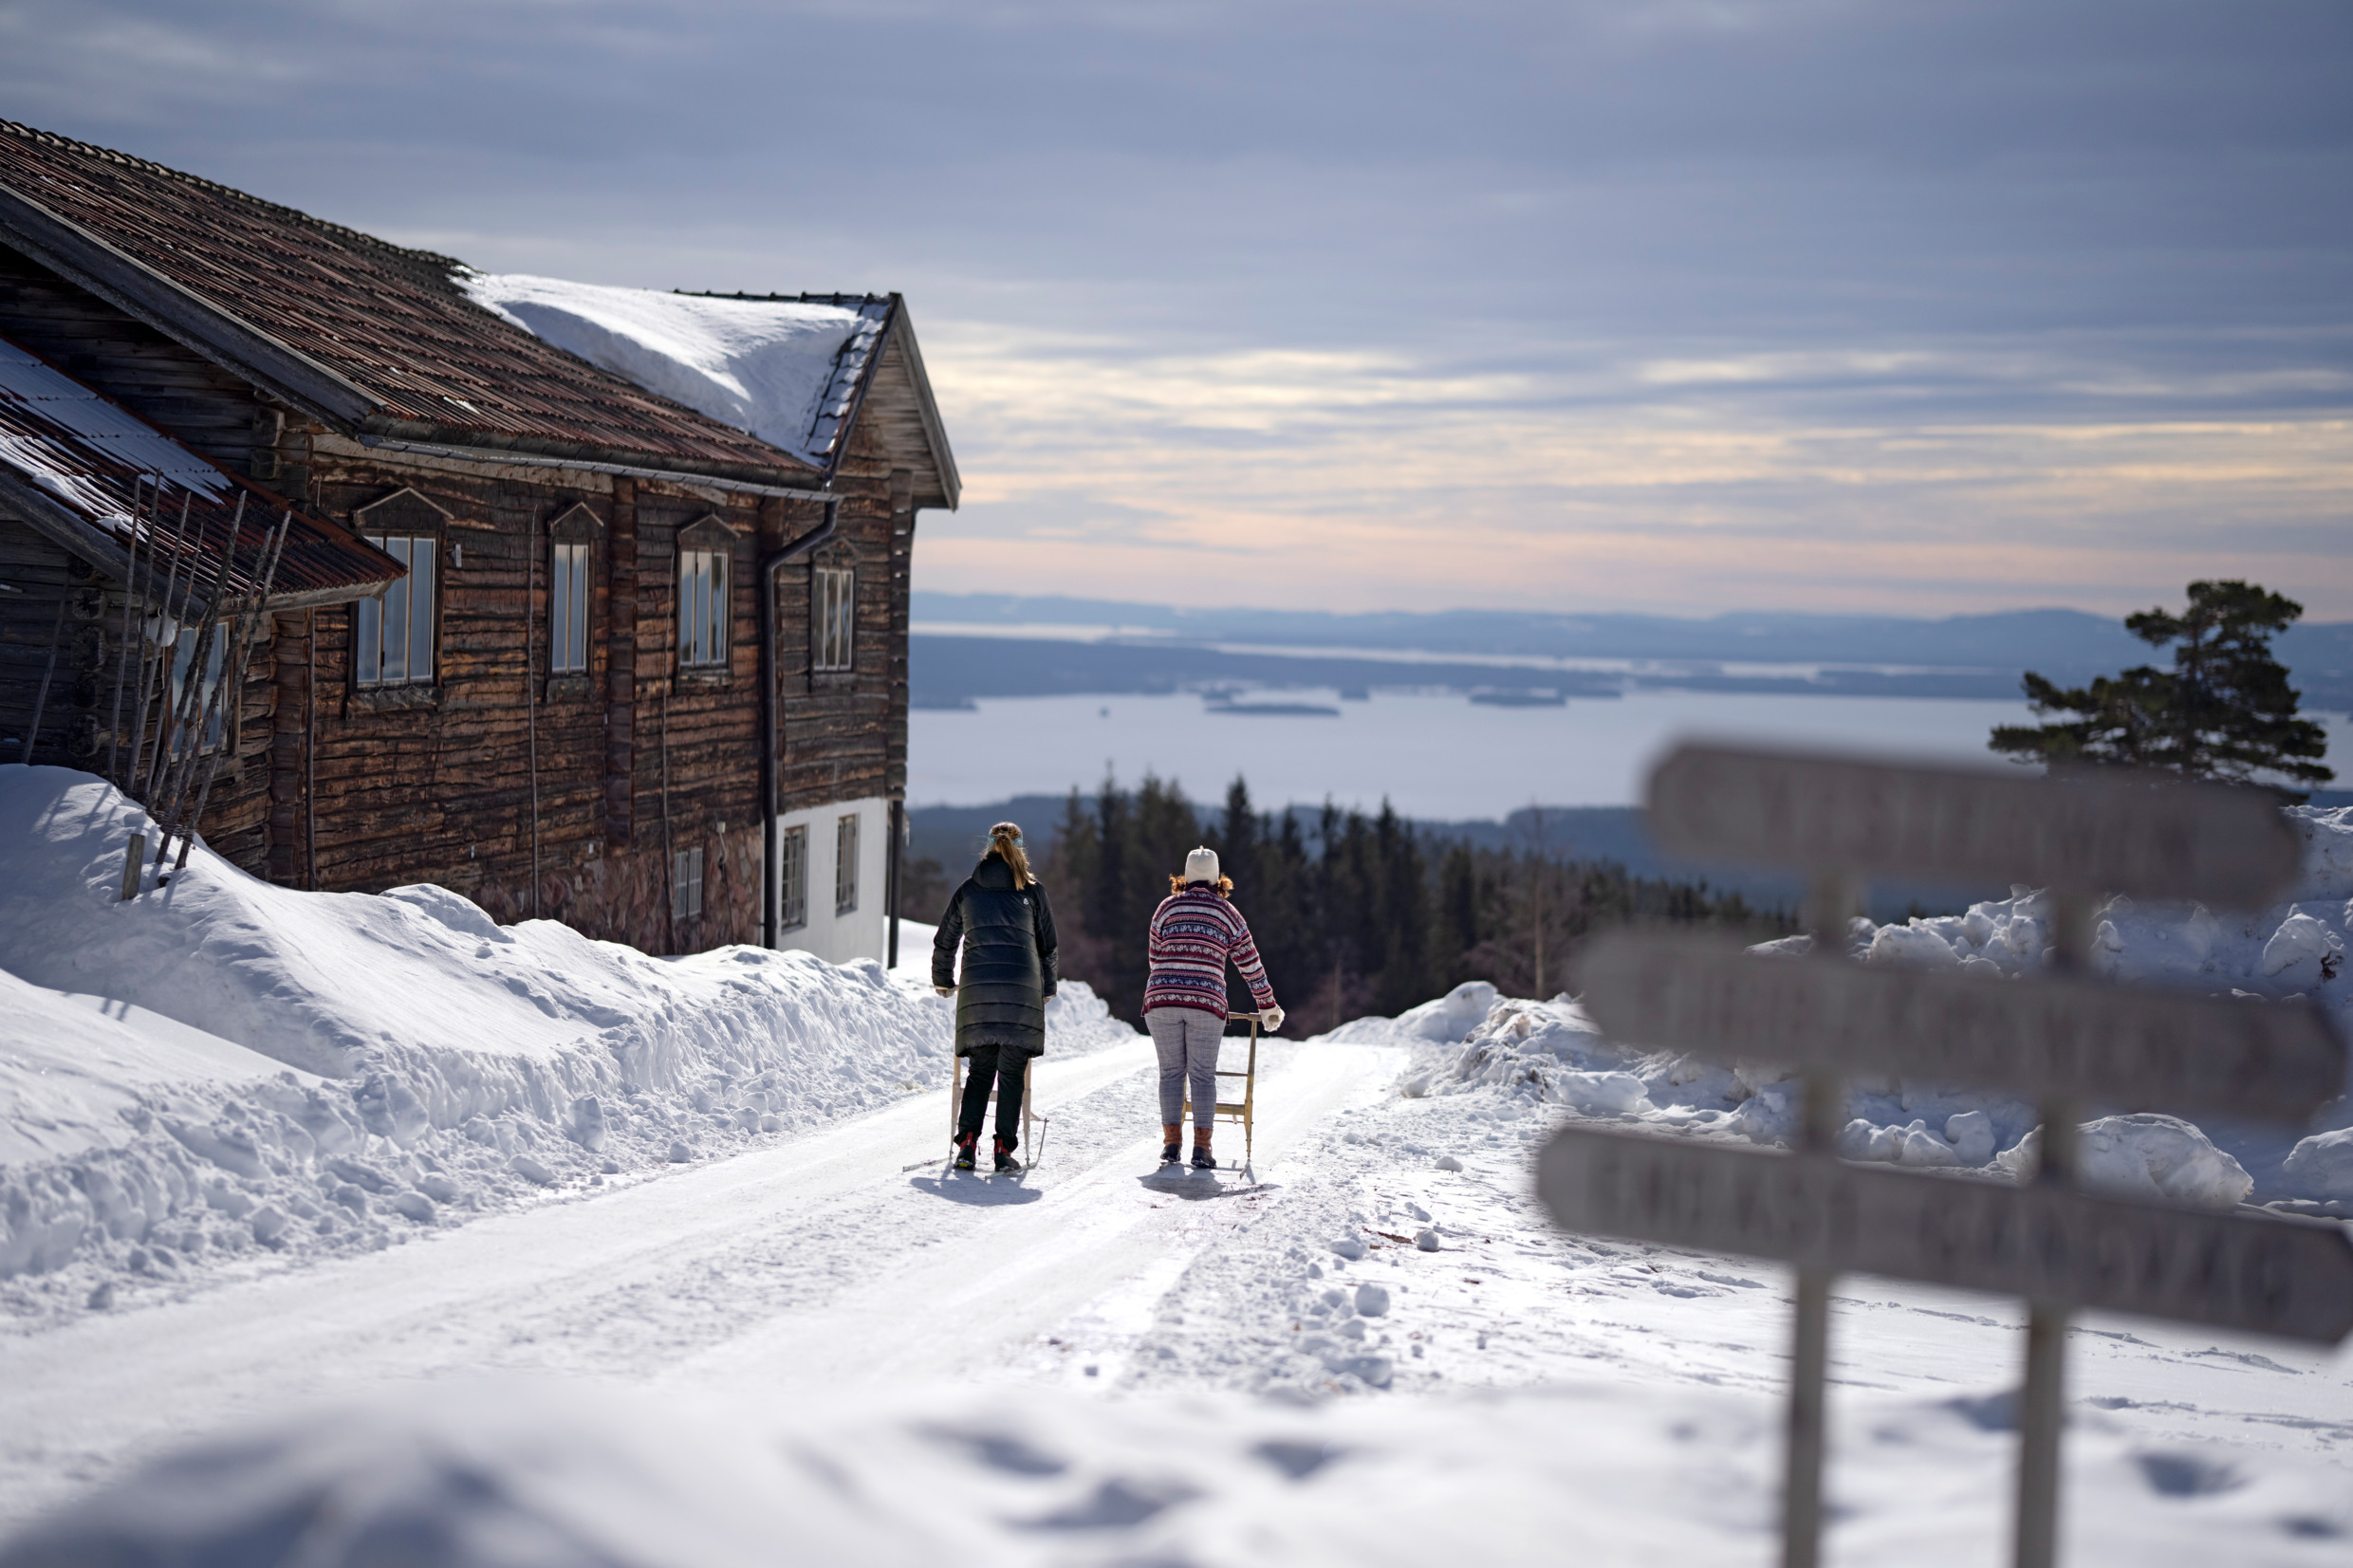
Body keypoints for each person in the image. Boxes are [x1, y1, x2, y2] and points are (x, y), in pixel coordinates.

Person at [1143, 846, 1283, 1169]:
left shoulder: (1166, 908)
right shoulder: (1227, 913)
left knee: (1170, 1073)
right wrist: (1268, 1005)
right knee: (1203, 1076)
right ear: (1217, 878)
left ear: (1186, 877)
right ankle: (1202, 1149)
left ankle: (1171, 1145)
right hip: (1207, 1001)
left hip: (1161, 998)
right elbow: (1250, 963)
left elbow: (1153, 958)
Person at [933, 821, 1058, 1172]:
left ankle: (967, 1144)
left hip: (978, 992)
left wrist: (943, 979)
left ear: (988, 847)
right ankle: (1003, 1148)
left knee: (981, 1070)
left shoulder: (969, 890)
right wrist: (1047, 988)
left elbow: (945, 939)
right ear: (1021, 849)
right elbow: (1048, 947)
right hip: (1021, 992)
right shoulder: (1033, 892)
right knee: (1012, 1073)